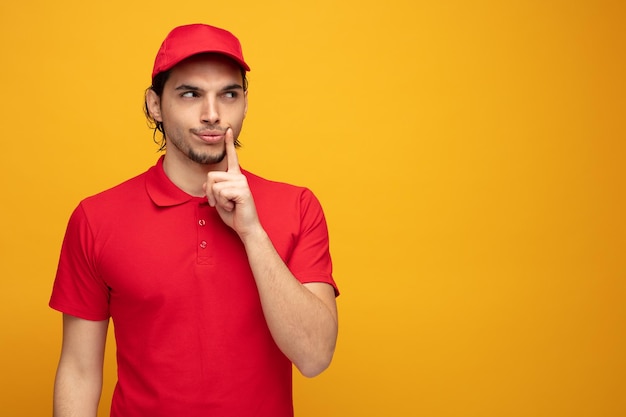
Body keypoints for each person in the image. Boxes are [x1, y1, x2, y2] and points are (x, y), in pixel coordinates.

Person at [50, 23, 339, 417]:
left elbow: (315, 356)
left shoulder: (297, 206)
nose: (212, 114)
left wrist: (252, 232)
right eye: (190, 94)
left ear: (245, 103)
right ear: (155, 104)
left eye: (229, 94)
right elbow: (80, 371)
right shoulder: (96, 218)